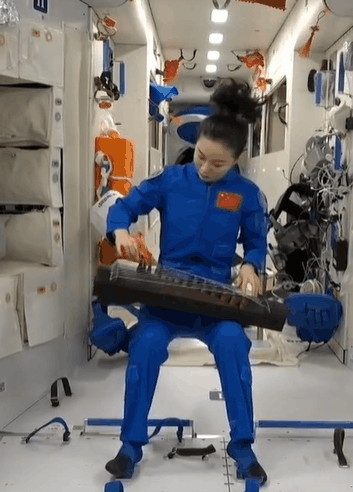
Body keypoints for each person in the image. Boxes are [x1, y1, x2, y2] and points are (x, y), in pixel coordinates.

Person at [103, 80, 269, 484]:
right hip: (166, 299)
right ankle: (130, 447)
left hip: (215, 303)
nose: (205, 168)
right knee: (145, 345)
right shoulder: (172, 180)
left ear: (236, 160)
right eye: (201, 157)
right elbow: (124, 208)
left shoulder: (246, 194)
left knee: (233, 345)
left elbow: (257, 243)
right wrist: (120, 231)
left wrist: (251, 266)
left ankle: (243, 446)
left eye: (218, 164)